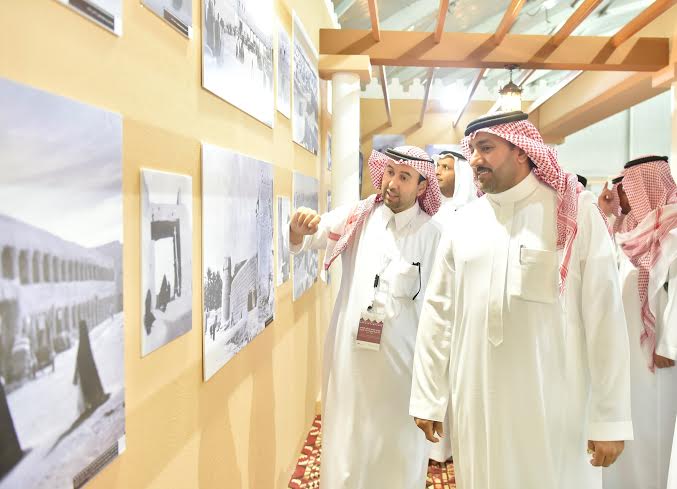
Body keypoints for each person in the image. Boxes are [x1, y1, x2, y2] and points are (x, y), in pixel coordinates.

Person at [410, 111, 633, 489]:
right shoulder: (463, 224)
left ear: (523, 152)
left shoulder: (574, 213)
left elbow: (605, 318)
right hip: (476, 402)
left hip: (553, 404)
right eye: (473, 150)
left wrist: (609, 417)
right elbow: (438, 312)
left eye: (486, 148)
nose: (476, 160)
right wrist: (428, 396)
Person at [289, 146, 442, 489]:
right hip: (350, 361)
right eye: (389, 172)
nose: (392, 182)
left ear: (421, 186)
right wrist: (298, 229)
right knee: (346, 447)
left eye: (404, 177)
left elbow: (440, 314)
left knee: (396, 456)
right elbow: (310, 235)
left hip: (403, 371)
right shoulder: (359, 217)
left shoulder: (434, 236)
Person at [603, 155, 677, 489]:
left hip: (657, 358)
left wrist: (669, 345)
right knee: (629, 427)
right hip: (626, 351)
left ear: (645, 186)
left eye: (625, 186)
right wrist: (607, 213)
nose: (620, 194)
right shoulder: (631, 230)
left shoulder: (671, 230)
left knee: (652, 430)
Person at [73, 320, 107, 414]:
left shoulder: (82, 341)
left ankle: (93, 400)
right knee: (91, 383)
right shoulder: (84, 340)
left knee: (89, 384)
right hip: (86, 367)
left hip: (84, 368)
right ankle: (95, 400)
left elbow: (80, 356)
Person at [433, 149, 477, 222]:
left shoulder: (475, 212)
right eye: (437, 166)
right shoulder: (434, 210)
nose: (437, 172)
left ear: (461, 174)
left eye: (446, 167)